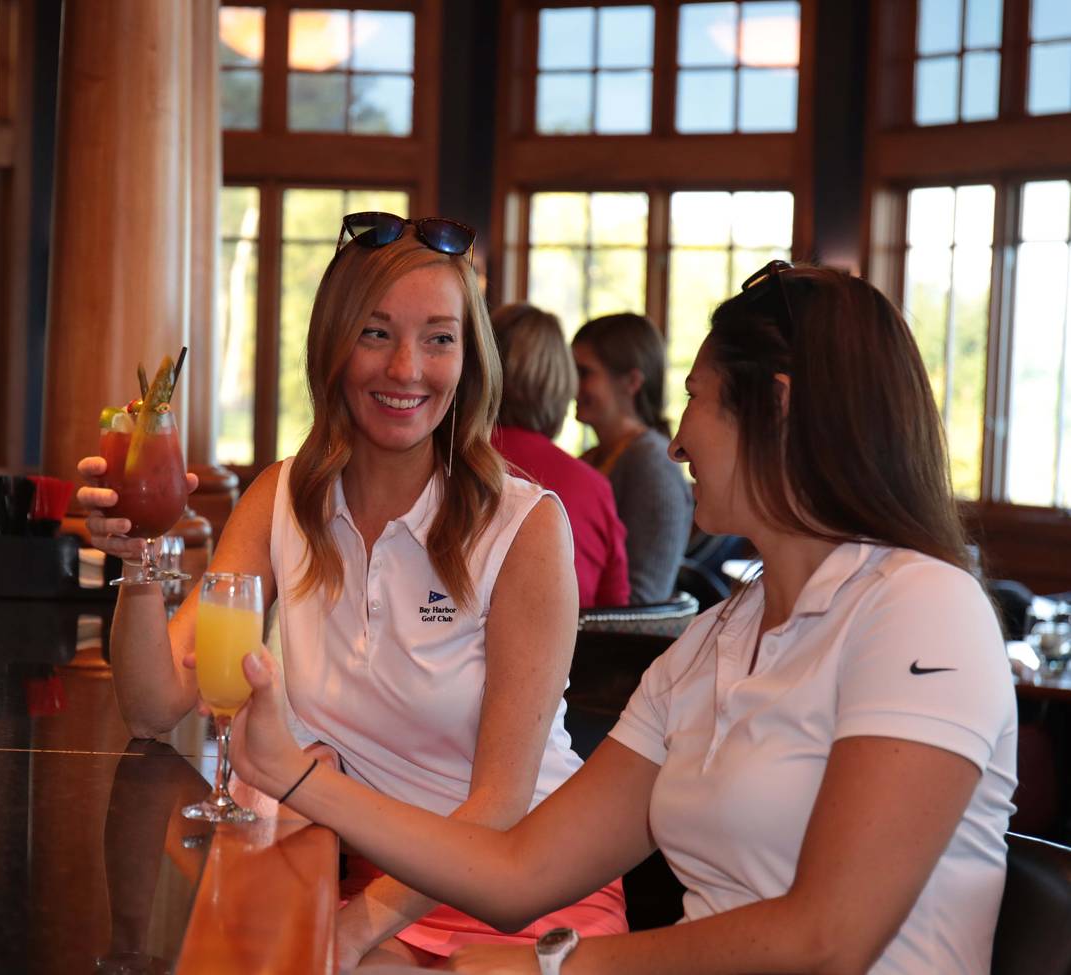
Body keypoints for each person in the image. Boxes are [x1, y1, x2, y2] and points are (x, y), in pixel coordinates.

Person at [229, 262, 1018, 974]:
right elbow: (518, 871)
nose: (677, 442)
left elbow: (829, 938)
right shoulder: (713, 642)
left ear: (776, 407)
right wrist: (293, 774)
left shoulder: (923, 606)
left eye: (696, 399)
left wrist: (556, 968)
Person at [78, 213, 626, 968]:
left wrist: (349, 933)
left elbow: (499, 805)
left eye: (439, 338)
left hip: (526, 887)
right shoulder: (280, 499)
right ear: (332, 346)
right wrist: (138, 558)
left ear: (469, 360)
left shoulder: (525, 527)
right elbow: (152, 706)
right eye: (376, 333)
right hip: (369, 875)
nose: (407, 368)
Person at [489, 302, 628, 609]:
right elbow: (615, 614)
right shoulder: (592, 487)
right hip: (576, 641)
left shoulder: (441, 465)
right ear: (562, 385)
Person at [573, 313, 693, 604]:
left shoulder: (651, 463)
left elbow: (645, 597)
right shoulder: (592, 457)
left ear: (631, 381)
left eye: (584, 372)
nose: (571, 384)